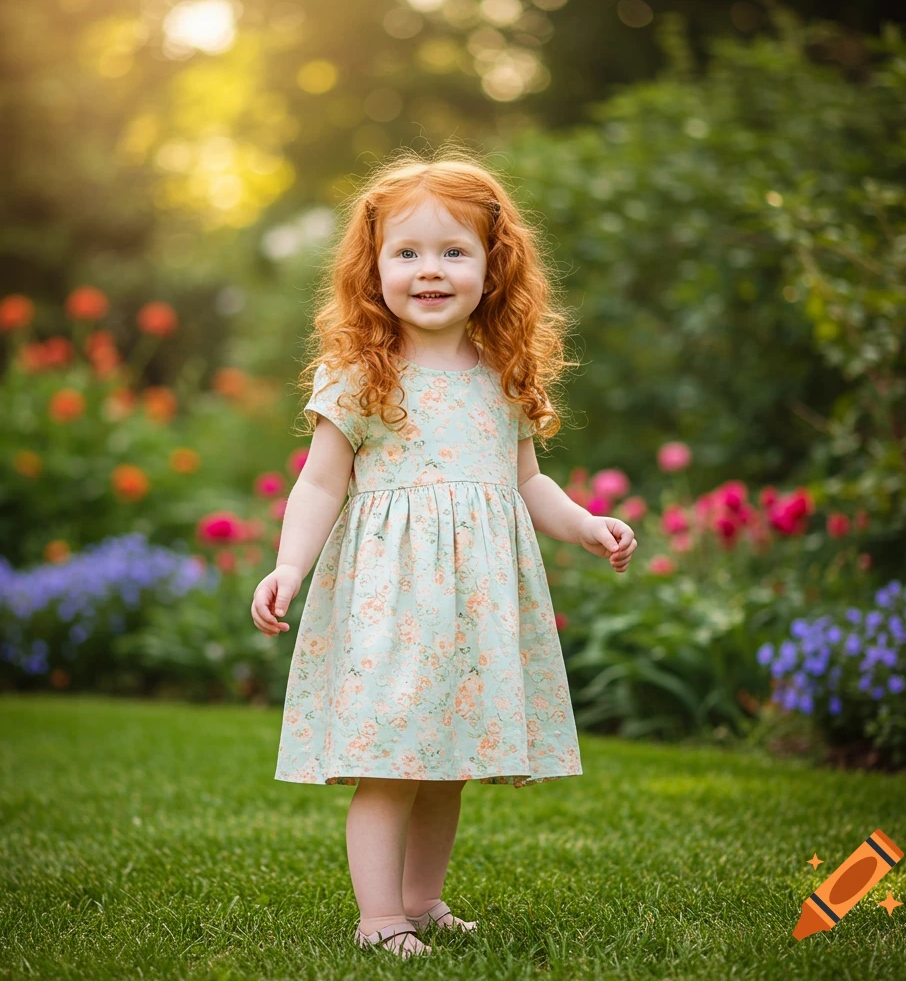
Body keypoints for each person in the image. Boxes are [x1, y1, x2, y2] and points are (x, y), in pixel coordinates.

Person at [250, 150, 637, 959]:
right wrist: (290, 565)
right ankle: (377, 917)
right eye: (409, 252)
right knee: (391, 762)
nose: (431, 270)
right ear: (375, 267)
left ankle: (422, 900)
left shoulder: (502, 375)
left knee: (447, 760)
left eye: (453, 252)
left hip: (474, 608)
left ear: (492, 269)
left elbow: (526, 481)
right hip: (391, 606)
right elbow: (320, 486)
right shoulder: (362, 374)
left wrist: (585, 522)